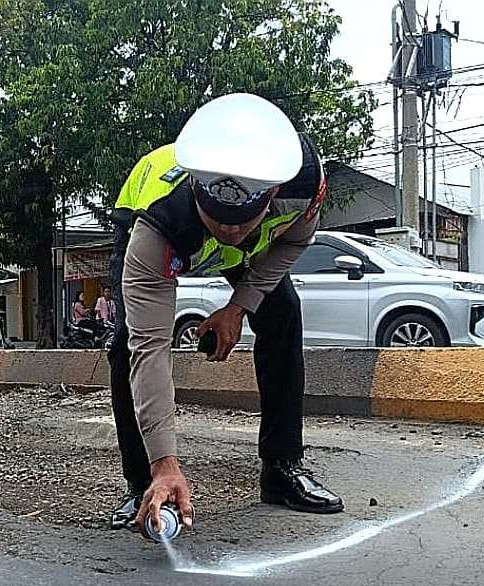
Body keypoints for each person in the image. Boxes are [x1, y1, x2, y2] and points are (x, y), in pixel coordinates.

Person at [106, 93, 343, 534]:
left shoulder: (303, 181)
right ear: (198, 191)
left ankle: (282, 469)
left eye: (241, 221)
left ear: (271, 195)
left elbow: (292, 244)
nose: (230, 230)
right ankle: (144, 484)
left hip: (251, 255)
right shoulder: (159, 224)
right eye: (217, 219)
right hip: (161, 233)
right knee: (127, 346)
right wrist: (167, 462)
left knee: (283, 314)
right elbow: (152, 348)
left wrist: (239, 307)